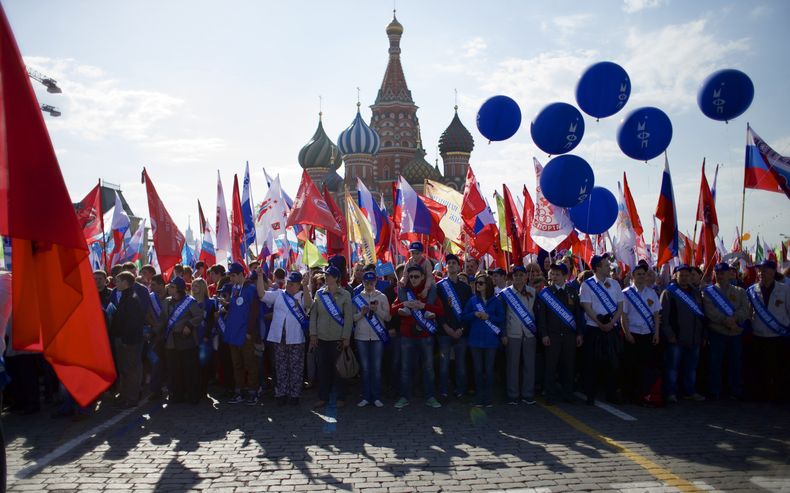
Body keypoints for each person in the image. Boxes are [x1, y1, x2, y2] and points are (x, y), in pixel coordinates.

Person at [392, 265, 444, 409]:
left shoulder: (430, 291)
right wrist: (404, 304)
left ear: (422, 277)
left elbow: (441, 310)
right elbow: (392, 309)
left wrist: (424, 306)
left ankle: (431, 397)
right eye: (411, 277)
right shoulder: (404, 291)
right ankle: (404, 397)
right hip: (407, 335)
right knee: (406, 368)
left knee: (428, 368)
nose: (413, 279)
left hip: (426, 335)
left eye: (416, 276)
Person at [258, 270, 313, 405]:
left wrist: (306, 286)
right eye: (288, 283)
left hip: (295, 338)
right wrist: (260, 277)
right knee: (280, 366)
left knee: (296, 367)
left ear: (299, 285)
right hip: (279, 337)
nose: (289, 286)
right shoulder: (279, 294)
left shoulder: (302, 295)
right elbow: (262, 295)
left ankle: (294, 395)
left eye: (293, 284)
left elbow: (308, 305)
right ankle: (281, 393)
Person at [579, 253, 625, 405]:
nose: (609, 267)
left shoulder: (615, 284)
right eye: (606, 265)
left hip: (611, 327)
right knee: (592, 363)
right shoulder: (587, 285)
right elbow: (586, 306)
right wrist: (600, 323)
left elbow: (620, 306)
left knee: (612, 363)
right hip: (594, 328)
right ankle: (590, 395)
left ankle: (611, 394)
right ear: (598, 267)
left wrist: (612, 322)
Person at [537, 262, 584, 405]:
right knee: (551, 367)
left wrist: (579, 334)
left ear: (565, 276)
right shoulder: (545, 293)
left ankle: (568, 394)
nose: (555, 276)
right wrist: (544, 334)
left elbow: (578, 315)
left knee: (568, 366)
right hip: (553, 336)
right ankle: (550, 395)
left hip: (569, 336)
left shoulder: (572, 292)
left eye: (558, 274)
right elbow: (542, 317)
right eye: (553, 273)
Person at [702, 263, 749, 400]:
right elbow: (710, 311)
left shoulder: (740, 292)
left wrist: (734, 319)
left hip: (735, 333)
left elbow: (745, 310)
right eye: (718, 273)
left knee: (735, 363)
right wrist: (725, 320)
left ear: (730, 274)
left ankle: (735, 391)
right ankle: (714, 390)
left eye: (723, 272)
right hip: (717, 332)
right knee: (715, 363)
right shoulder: (708, 292)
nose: (720, 275)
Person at [309, 266, 354, 408]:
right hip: (322, 337)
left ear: (336, 278)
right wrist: (313, 334)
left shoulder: (345, 294)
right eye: (325, 275)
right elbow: (313, 315)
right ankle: (323, 397)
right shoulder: (319, 294)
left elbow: (348, 318)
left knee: (339, 369)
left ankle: (341, 397)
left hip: (338, 337)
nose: (326, 278)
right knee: (323, 369)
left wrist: (346, 336)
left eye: (329, 275)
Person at [746, 260, 790, 402]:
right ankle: (760, 394)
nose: (761, 273)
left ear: (773, 271)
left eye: (764, 270)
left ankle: (777, 394)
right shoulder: (752, 290)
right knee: (759, 367)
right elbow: (748, 312)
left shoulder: (785, 289)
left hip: (778, 335)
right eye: (759, 270)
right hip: (758, 335)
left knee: (778, 367)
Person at [661, 265, 706, 403]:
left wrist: (703, 335)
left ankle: (690, 392)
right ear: (675, 276)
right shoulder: (669, 292)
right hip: (676, 338)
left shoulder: (696, 293)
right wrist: (670, 335)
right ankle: (671, 393)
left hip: (694, 338)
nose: (685, 277)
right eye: (682, 275)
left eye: (688, 275)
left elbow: (702, 316)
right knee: (673, 368)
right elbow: (663, 317)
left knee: (691, 369)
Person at [620, 260, 661, 404]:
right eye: (638, 274)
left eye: (644, 274)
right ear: (633, 276)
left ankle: (643, 393)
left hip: (647, 334)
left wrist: (656, 333)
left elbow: (656, 315)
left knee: (645, 366)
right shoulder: (626, 293)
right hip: (633, 333)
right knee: (630, 365)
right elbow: (623, 316)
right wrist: (627, 333)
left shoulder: (652, 293)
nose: (642, 277)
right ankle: (629, 393)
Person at [463, 273, 506, 407]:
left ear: (487, 285)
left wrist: (489, 317)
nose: (478, 285)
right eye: (477, 283)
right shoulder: (472, 300)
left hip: (491, 341)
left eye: (481, 283)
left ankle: (488, 398)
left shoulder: (496, 301)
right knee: (478, 370)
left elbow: (501, 318)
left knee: (488, 370)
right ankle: (479, 397)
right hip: (475, 340)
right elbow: (464, 316)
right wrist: (474, 314)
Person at [352, 271, 392, 407]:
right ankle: (365, 396)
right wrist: (361, 313)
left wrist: (377, 310)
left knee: (376, 368)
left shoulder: (382, 297)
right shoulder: (357, 297)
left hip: (377, 337)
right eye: (366, 282)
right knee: (365, 368)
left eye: (371, 282)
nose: (369, 285)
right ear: (363, 282)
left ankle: (376, 396)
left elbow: (388, 317)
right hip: (361, 336)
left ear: (375, 282)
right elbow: (352, 318)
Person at [223, 262, 260, 405]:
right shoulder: (234, 289)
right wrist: (226, 305)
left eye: (233, 276)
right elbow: (236, 307)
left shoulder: (250, 289)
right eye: (230, 276)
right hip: (233, 333)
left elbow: (254, 311)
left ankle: (253, 392)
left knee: (249, 364)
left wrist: (250, 331)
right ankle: (239, 391)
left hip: (245, 334)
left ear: (240, 274)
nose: (231, 279)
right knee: (237, 364)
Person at [436, 254, 473, 400]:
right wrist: (447, 328)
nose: (451, 265)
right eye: (449, 263)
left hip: (461, 332)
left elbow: (468, 311)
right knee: (444, 364)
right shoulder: (440, 286)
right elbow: (438, 311)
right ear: (446, 267)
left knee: (461, 364)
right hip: (445, 332)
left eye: (454, 263)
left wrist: (461, 329)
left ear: (459, 267)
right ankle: (444, 391)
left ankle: (460, 391)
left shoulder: (466, 288)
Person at [501, 265, 539, 405]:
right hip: (512, 334)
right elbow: (502, 317)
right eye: (515, 275)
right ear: (512, 277)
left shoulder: (533, 292)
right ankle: (513, 395)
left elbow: (537, 313)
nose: (518, 278)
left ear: (526, 277)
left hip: (529, 334)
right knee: (512, 365)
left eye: (521, 275)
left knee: (529, 365)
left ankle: (528, 394)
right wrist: (504, 334)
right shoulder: (505, 294)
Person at [163, 277, 204, 404]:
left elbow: (199, 315)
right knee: (175, 369)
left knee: (189, 369)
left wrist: (190, 325)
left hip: (186, 340)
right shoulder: (166, 302)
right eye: (169, 286)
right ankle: (177, 394)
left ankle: (192, 395)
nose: (169, 288)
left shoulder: (190, 302)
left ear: (179, 289)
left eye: (172, 286)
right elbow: (164, 320)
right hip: (171, 340)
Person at [110, 271, 146, 408]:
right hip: (123, 339)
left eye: (118, 281)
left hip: (129, 341)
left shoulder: (131, 298)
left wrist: (125, 339)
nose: (116, 283)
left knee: (131, 370)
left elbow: (133, 322)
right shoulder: (126, 296)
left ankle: (132, 398)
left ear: (125, 283)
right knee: (124, 370)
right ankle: (124, 396)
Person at [191, 278, 217, 399]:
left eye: (196, 285)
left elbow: (211, 321)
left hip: (204, 338)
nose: (194, 287)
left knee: (203, 364)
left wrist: (207, 336)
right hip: (192, 337)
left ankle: (203, 389)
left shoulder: (210, 303)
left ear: (202, 287)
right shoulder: (189, 302)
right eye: (193, 285)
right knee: (193, 364)